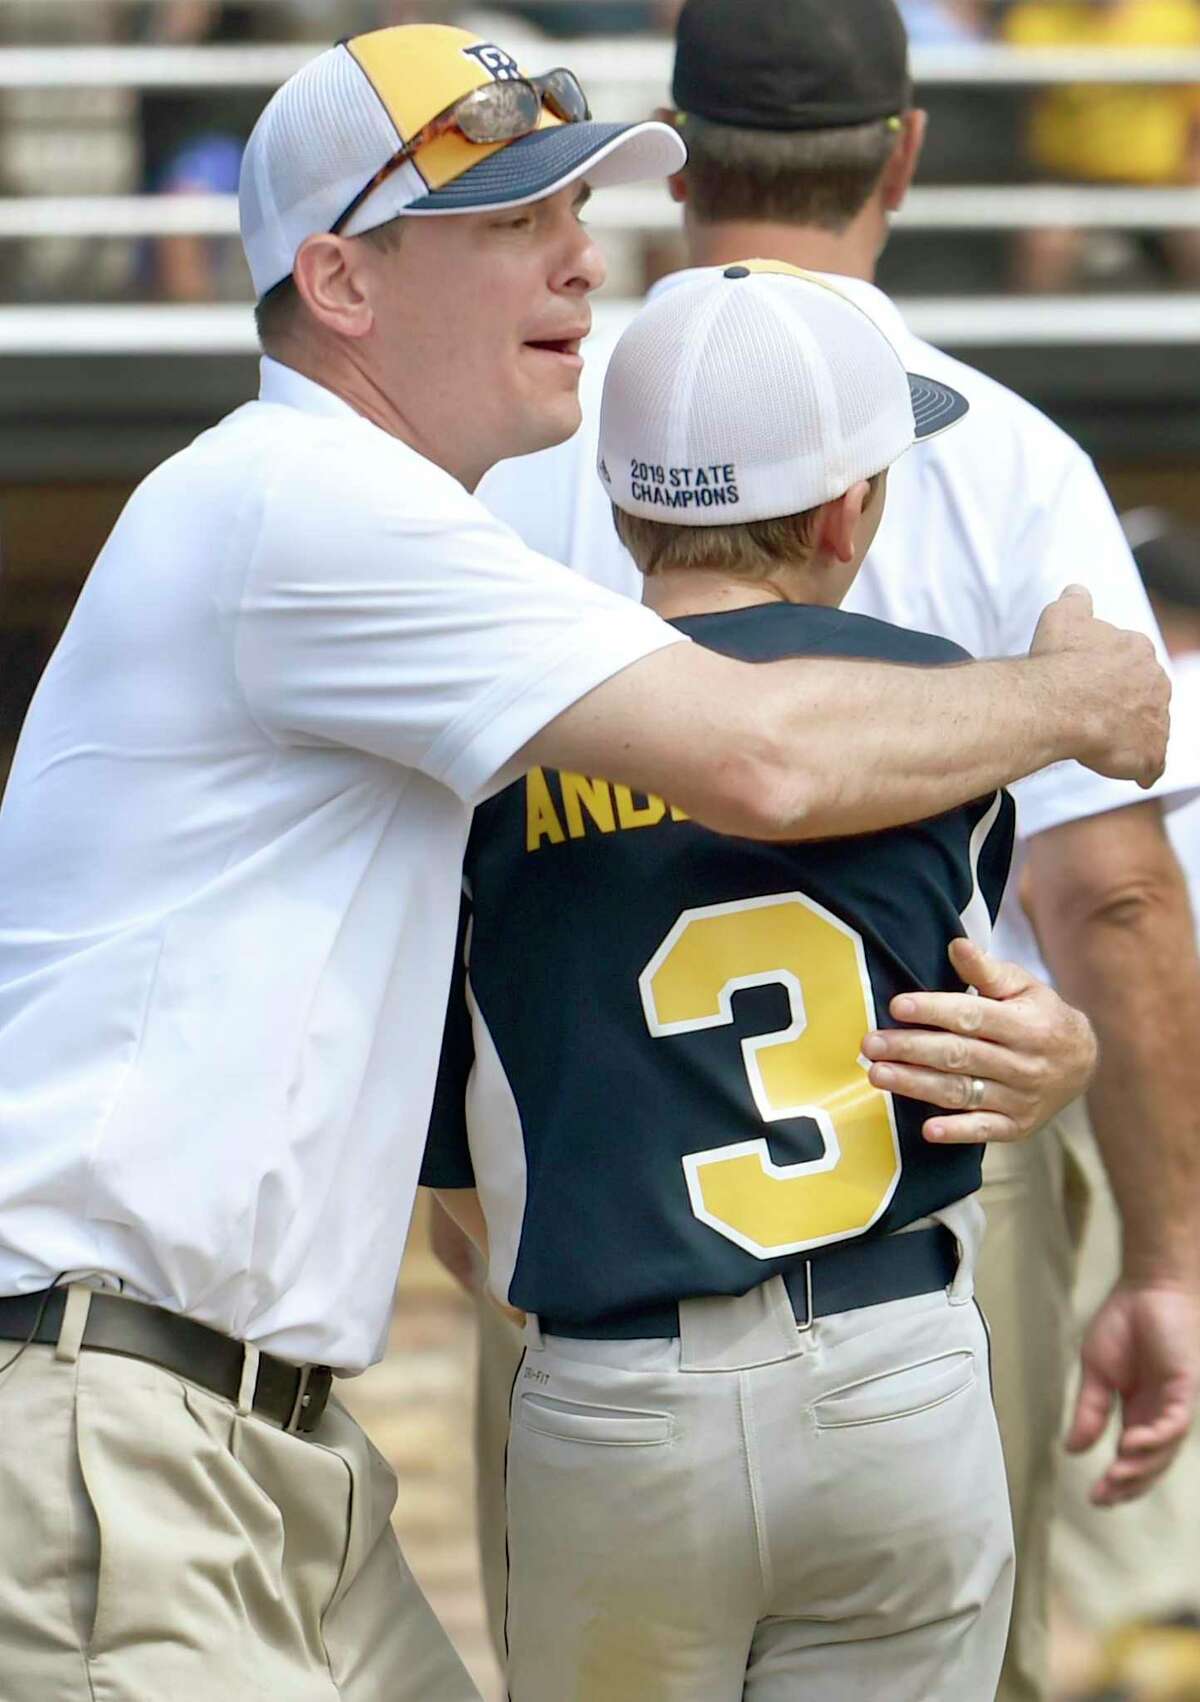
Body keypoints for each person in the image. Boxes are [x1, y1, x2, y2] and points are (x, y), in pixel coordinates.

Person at [0, 20, 1160, 1702]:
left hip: (257, 1442)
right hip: (110, 1422)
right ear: (338, 279)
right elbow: (766, 753)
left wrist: (1024, 1038)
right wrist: (1076, 697)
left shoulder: (394, 530)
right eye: (511, 218)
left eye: (584, 204)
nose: (583, 254)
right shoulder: (301, 498)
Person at [466, 3, 1200, 1699]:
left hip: (592, 1260)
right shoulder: (1002, 450)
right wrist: (1162, 1253)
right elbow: (1113, 890)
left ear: (679, 148)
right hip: (916, 1212)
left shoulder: (522, 450)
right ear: (907, 152)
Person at [424, 258, 1029, 1701]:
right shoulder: (945, 704)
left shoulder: (504, 731)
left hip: (617, 1391)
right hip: (893, 1360)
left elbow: (456, 1197)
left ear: (627, 500)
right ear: (844, 508)